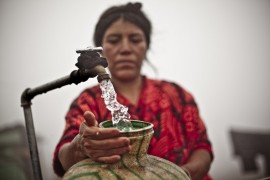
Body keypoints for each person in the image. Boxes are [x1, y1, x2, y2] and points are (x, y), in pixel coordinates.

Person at [53, 2, 214, 180]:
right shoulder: (87, 102)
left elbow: (202, 148)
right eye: (114, 40)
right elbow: (64, 158)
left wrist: (180, 175)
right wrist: (79, 147)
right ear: (100, 51)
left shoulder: (177, 95)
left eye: (135, 39)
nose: (125, 49)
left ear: (146, 47)